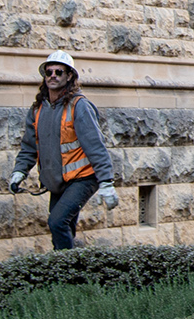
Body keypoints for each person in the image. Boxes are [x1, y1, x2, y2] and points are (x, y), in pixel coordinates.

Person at [10, 51, 119, 249]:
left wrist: (106, 181)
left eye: (59, 72)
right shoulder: (37, 109)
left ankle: (68, 271)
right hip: (59, 181)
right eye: (48, 72)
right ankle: (73, 271)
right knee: (63, 229)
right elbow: (29, 146)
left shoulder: (79, 106)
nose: (53, 76)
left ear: (69, 76)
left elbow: (96, 146)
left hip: (83, 178)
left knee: (57, 222)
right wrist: (19, 171)